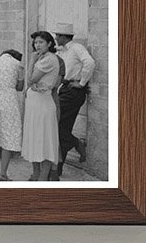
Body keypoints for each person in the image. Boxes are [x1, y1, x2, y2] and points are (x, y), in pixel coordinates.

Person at [53, 22, 95, 172]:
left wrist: (82, 83)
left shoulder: (77, 48)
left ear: (64, 36)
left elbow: (89, 63)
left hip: (73, 91)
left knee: (56, 124)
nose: (56, 38)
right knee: (63, 127)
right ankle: (58, 168)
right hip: (64, 88)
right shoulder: (61, 51)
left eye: (58, 35)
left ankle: (77, 143)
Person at [22, 31, 62, 181]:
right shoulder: (42, 57)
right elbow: (31, 82)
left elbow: (31, 78)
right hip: (34, 104)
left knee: (44, 141)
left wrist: (31, 60)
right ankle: (36, 174)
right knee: (34, 139)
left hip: (43, 104)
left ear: (49, 44)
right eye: (36, 43)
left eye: (41, 42)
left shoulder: (49, 59)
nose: (37, 45)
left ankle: (43, 178)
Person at [0, 49, 24, 181]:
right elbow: (19, 86)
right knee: (9, 135)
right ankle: (3, 173)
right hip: (9, 100)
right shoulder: (18, 64)